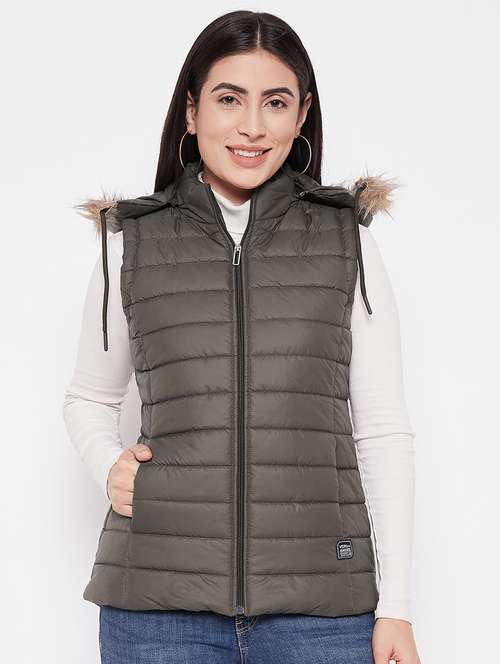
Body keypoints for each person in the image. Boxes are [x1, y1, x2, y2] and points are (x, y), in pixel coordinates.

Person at [63, 10, 421, 664]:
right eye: (230, 99)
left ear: (301, 115)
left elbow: (382, 430)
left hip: (321, 614)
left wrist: (395, 605)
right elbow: (89, 396)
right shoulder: (130, 242)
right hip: (158, 613)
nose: (252, 126)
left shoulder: (346, 239)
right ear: (192, 110)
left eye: (275, 102)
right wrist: (107, 463)